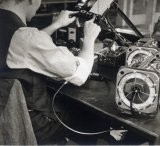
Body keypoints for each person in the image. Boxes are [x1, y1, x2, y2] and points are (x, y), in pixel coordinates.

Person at [0, 0, 101, 144]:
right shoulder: (25, 37)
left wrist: (57, 24)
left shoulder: (17, 34)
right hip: (33, 125)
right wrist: (90, 39)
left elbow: (21, 46)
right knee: (89, 114)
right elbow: (80, 74)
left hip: (5, 117)